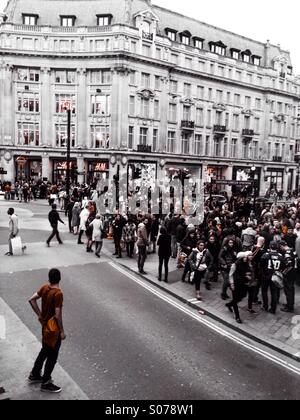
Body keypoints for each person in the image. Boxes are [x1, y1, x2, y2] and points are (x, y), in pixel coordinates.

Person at [28, 268, 66, 393]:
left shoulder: (45, 288)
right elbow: (57, 315)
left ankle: (35, 374)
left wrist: (40, 315)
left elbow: (31, 299)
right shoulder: (58, 293)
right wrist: (62, 331)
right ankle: (46, 382)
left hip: (45, 327)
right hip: (53, 330)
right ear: (59, 278)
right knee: (52, 356)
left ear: (49, 278)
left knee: (45, 350)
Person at [226, 252, 253, 324]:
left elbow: (248, 272)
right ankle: (237, 316)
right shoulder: (234, 265)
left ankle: (229, 304)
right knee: (235, 299)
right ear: (240, 259)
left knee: (241, 297)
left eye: (245, 257)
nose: (245, 258)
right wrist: (232, 284)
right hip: (235, 284)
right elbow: (230, 275)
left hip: (243, 284)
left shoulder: (247, 264)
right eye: (243, 258)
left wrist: (248, 276)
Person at [260, 241, 285, 314]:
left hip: (266, 276)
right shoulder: (280, 256)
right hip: (275, 277)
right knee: (274, 293)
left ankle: (265, 306)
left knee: (264, 291)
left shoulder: (265, 255)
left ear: (270, 247)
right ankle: (273, 309)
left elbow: (261, 265)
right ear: (277, 247)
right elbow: (283, 267)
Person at [278, 240, 297, 313]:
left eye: (280, 247)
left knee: (289, 290)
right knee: (291, 289)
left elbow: (288, 266)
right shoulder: (293, 250)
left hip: (289, 274)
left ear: (281, 246)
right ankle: (289, 304)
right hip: (294, 273)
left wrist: (283, 273)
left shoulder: (287, 253)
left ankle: (290, 306)